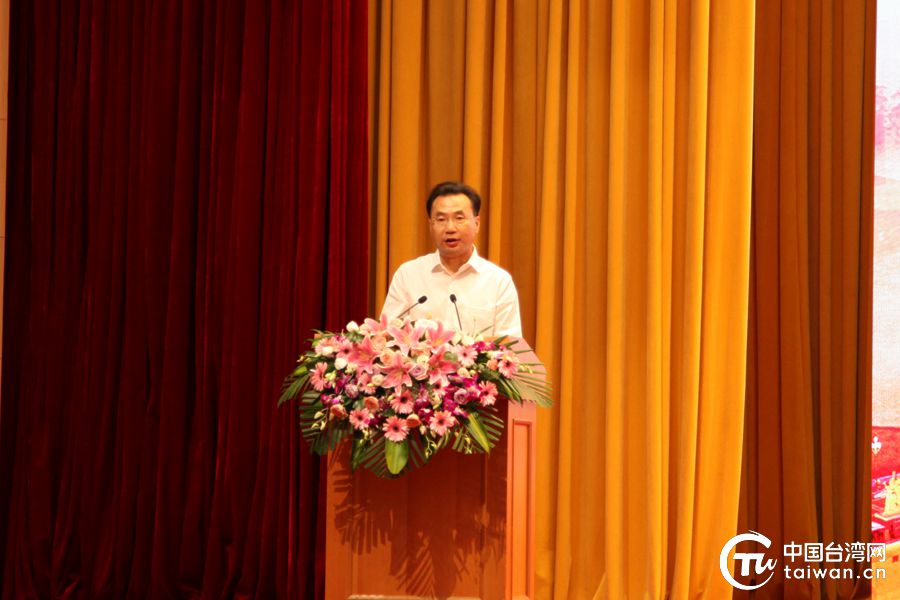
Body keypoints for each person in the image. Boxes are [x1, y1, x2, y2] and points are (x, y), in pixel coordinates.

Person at [380, 181, 523, 338]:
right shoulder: (408, 275)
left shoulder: (498, 281)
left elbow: (510, 345)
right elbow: (387, 335)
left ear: (477, 224)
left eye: (459, 218)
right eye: (441, 219)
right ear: (431, 225)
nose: (450, 228)